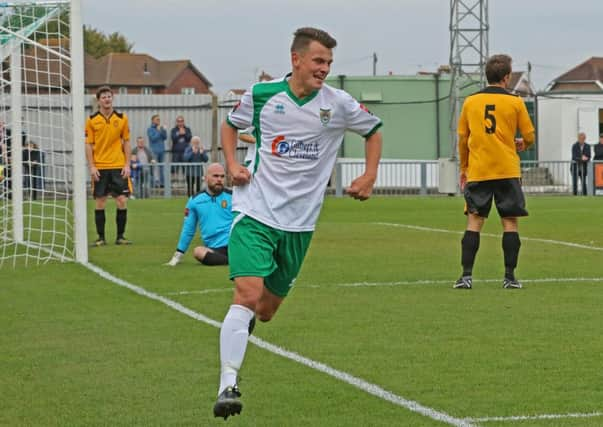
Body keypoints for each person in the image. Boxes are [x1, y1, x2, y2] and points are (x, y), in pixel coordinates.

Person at [212, 27, 383, 420]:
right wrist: (234, 163)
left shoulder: (337, 104)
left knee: (266, 310)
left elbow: (374, 131)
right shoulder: (262, 96)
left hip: (300, 224)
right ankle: (228, 383)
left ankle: (242, 330)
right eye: (319, 61)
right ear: (296, 59)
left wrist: (369, 175)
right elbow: (229, 125)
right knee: (247, 294)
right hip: (254, 210)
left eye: (329, 63)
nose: (324, 69)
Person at [454, 54, 535, 291]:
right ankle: (510, 277)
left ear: (487, 76)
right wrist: (523, 144)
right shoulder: (515, 102)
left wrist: (464, 167)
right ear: (507, 77)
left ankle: (466, 276)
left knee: (474, 221)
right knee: (509, 222)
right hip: (507, 170)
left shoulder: (470, 102)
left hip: (479, 170)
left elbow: (462, 138)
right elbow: (529, 135)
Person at [85, 86, 132, 246]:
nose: (107, 99)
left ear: (113, 98)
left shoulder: (122, 118)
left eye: (109, 96)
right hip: (100, 167)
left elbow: (126, 142)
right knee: (100, 202)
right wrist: (91, 166)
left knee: (121, 200)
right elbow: (88, 145)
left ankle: (120, 237)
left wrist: (127, 164)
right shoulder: (91, 120)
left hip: (118, 166)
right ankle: (101, 238)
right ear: (98, 100)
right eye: (103, 97)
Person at [166, 163, 232, 267]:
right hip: (214, 249)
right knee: (198, 252)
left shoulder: (233, 197)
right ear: (206, 178)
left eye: (222, 176)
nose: (219, 179)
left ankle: (234, 259)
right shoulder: (195, 201)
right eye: (215, 176)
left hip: (235, 244)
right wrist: (177, 255)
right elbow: (188, 229)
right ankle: (233, 261)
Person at [147, 114, 167, 187]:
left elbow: (165, 137)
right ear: (152, 121)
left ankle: (162, 183)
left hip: (162, 150)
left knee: (162, 167)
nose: (158, 121)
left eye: (159, 119)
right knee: (155, 168)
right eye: (157, 119)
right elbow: (153, 138)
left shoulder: (160, 128)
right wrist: (159, 131)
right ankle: (155, 183)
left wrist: (163, 130)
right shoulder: (150, 129)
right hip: (154, 151)